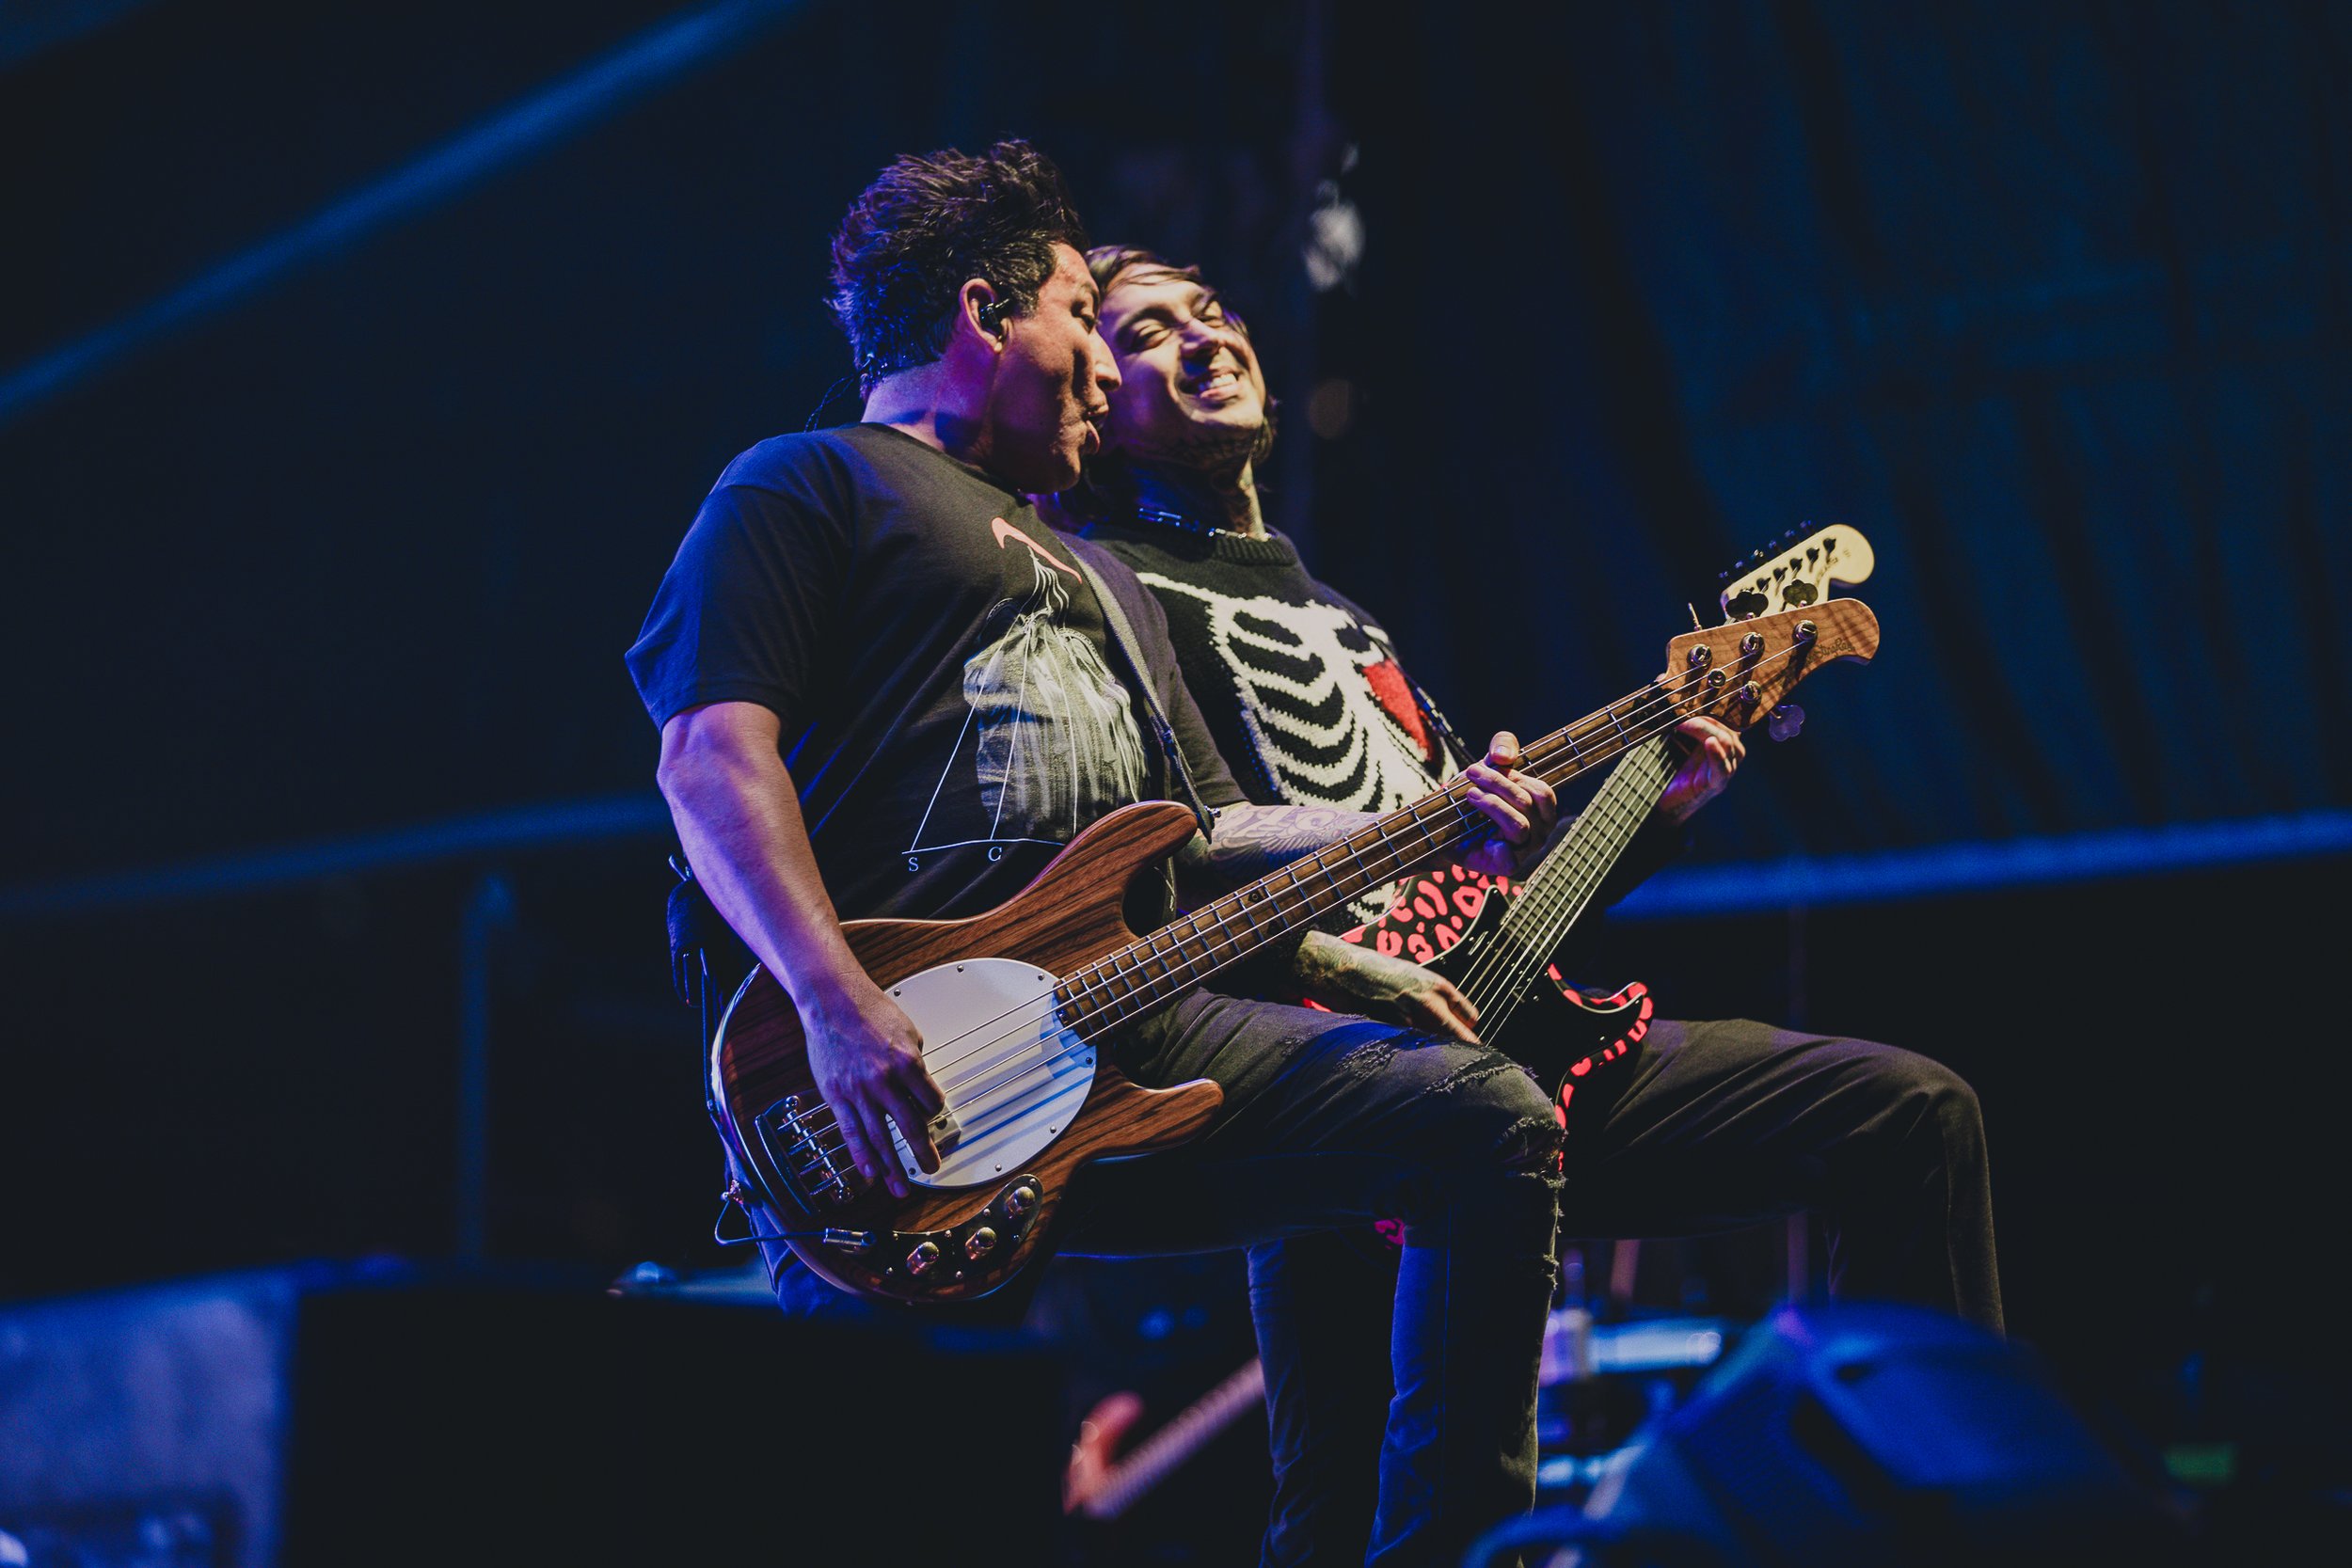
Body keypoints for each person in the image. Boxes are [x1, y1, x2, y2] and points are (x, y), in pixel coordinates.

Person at [627, 142, 1577, 1567]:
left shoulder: (1102, 573)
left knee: (1483, 1124)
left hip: (1128, 1023)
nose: (1099, 372)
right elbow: (708, 757)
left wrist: (1432, 828)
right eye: (1083, 316)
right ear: (984, 313)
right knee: (911, 1505)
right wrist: (836, 1006)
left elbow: (1208, 837)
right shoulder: (806, 484)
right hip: (900, 1078)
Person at [1057, 244, 2004, 1563]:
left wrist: (1655, 811)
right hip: (1326, 1074)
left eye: (1210, 311)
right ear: (1099, 402)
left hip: (1504, 1043)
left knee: (1911, 1116)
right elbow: (1167, 865)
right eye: (1149, 332)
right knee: (1339, 1519)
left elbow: (1490, 906)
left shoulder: (1345, 618)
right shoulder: (1111, 592)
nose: (1206, 338)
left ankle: (1947, 1519)